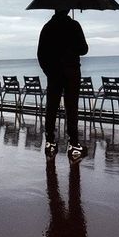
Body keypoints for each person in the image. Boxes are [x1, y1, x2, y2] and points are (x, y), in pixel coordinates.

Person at [38, 8, 89, 160]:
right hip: (72, 73)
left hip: (54, 74)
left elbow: (41, 54)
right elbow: (84, 49)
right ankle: (73, 143)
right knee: (71, 107)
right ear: (68, 9)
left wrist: (49, 71)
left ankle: (50, 142)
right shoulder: (74, 25)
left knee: (51, 106)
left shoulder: (47, 27)